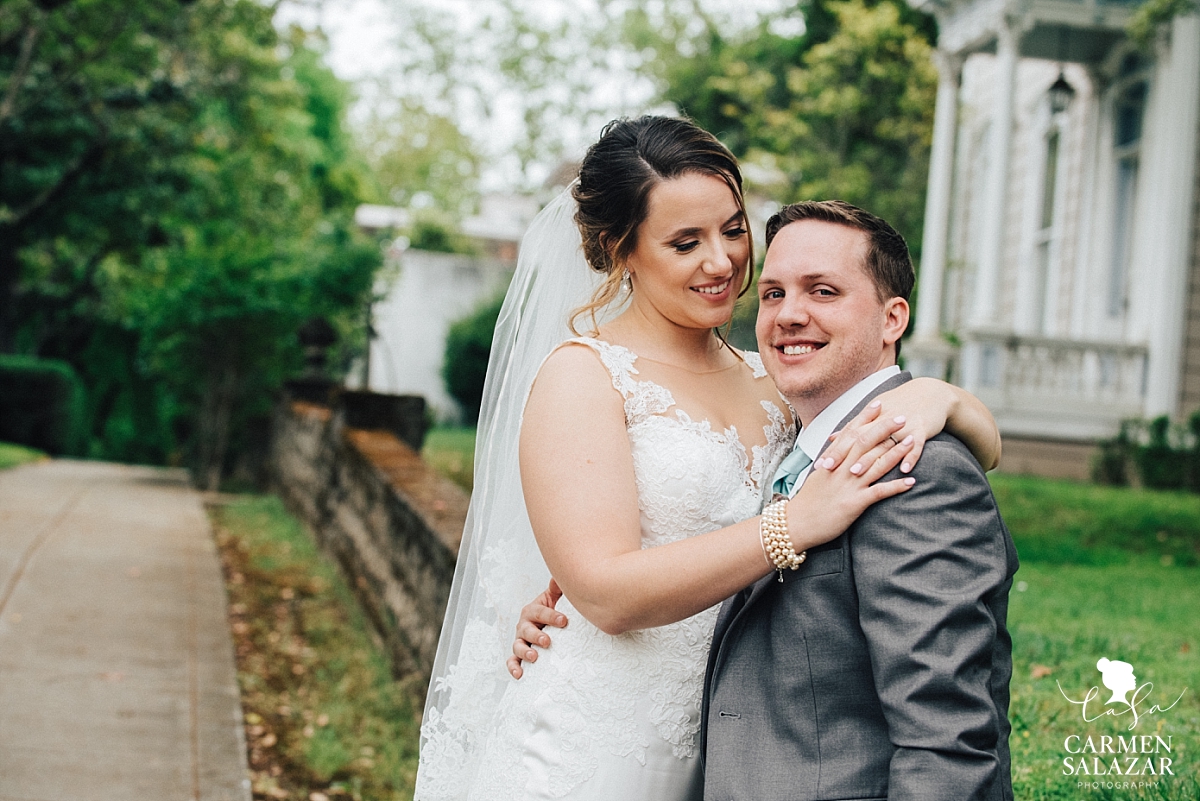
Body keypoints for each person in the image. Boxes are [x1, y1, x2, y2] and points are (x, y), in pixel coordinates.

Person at [415, 117, 1001, 801]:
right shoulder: (584, 375)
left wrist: (939, 399)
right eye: (685, 242)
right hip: (602, 734)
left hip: (737, 743)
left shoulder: (775, 378)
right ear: (622, 250)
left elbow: (973, 449)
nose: (721, 262)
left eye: (732, 228)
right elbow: (603, 589)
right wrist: (791, 526)